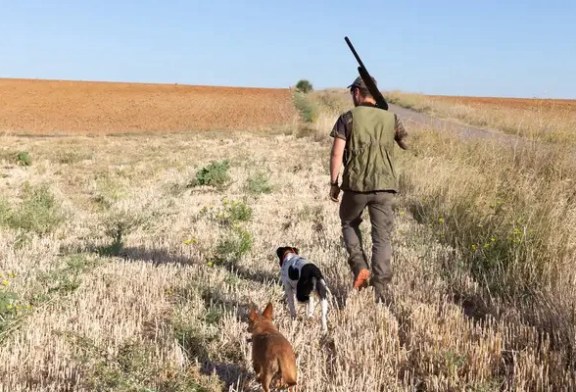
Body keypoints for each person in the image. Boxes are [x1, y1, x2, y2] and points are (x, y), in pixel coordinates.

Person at [329, 76, 408, 304]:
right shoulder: (391, 118)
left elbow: (336, 153)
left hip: (356, 185)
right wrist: (387, 118)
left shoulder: (348, 118)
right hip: (385, 186)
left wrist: (334, 183)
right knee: (381, 238)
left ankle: (360, 266)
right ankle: (381, 289)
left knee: (348, 222)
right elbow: (405, 143)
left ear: (356, 92)